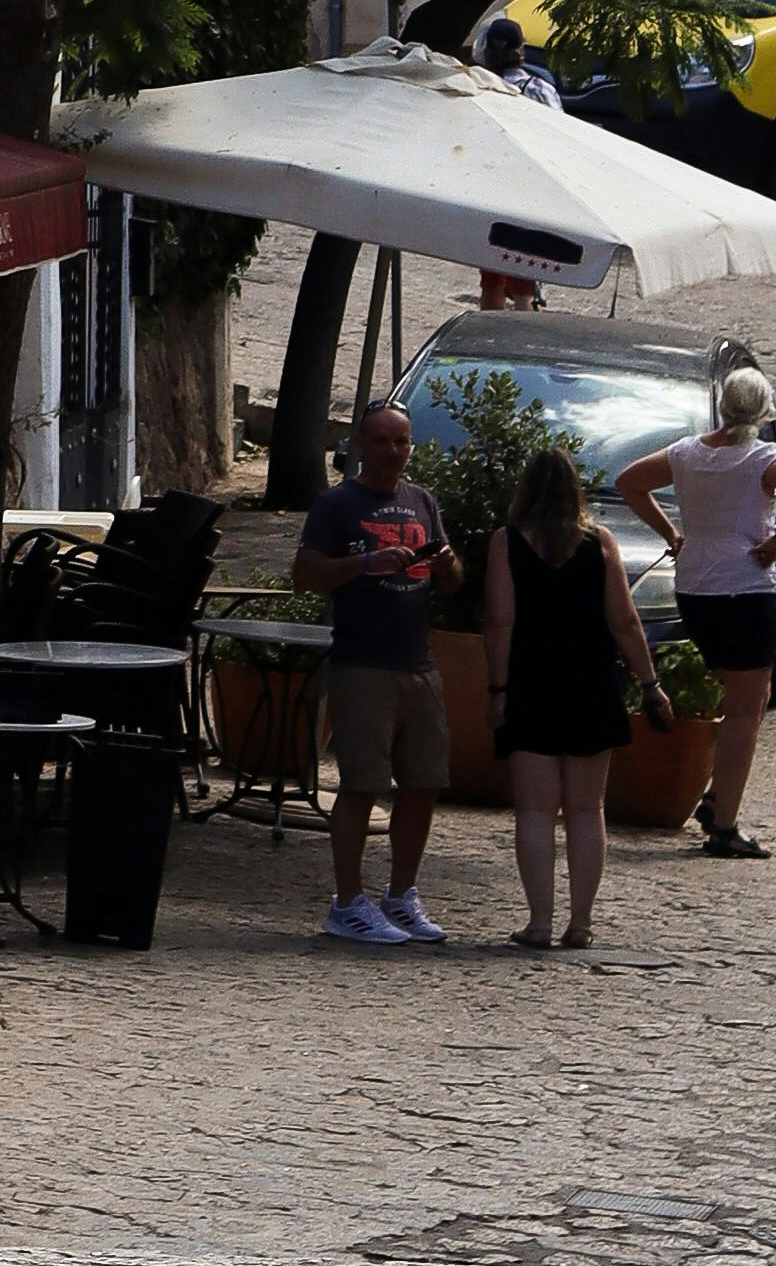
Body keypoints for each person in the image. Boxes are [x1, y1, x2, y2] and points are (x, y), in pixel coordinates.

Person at [482, 441, 662, 949]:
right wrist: (650, 682)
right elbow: (624, 621)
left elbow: (500, 622)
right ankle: (580, 923)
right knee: (587, 808)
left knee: (536, 809)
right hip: (590, 684)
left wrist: (497, 690)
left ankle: (539, 921)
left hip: (531, 684)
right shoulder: (600, 542)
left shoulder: (506, 543)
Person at [294, 394, 452, 945]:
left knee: (424, 782)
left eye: (401, 441)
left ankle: (400, 896)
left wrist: (449, 565)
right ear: (360, 446)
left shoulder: (423, 501)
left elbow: (450, 581)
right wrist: (363, 563)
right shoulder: (337, 505)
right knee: (362, 784)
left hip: (419, 662)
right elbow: (305, 575)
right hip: (363, 663)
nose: (393, 451)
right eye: (381, 440)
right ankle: (346, 902)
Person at [617, 358, 776, 855]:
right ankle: (723, 819)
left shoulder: (685, 453)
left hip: (695, 588)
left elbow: (629, 482)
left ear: (721, 406)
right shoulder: (763, 459)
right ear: (765, 410)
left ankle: (717, 798)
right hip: (746, 587)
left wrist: (671, 533)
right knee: (748, 708)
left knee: (735, 695)